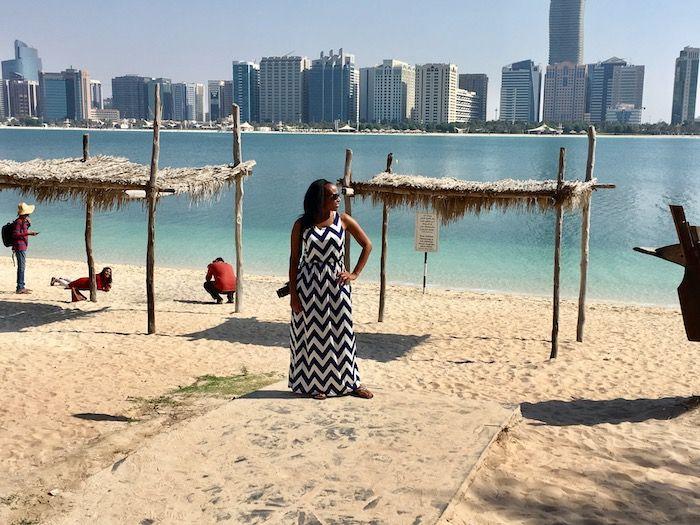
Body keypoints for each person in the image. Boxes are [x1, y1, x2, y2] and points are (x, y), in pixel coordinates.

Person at [288, 179, 374, 400]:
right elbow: (294, 260)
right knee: (313, 334)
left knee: (342, 333)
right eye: (333, 196)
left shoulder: (343, 220)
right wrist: (294, 295)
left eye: (338, 196)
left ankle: (351, 383)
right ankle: (316, 385)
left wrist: (354, 273)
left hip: (337, 286)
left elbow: (367, 245)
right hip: (308, 285)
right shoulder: (302, 224)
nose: (338, 199)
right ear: (320, 199)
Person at [12, 202, 39, 294]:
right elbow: (16, 234)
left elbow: (23, 231)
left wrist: (28, 226)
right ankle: (20, 287)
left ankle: (21, 285)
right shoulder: (19, 221)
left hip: (22, 246)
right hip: (20, 246)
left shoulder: (23, 221)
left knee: (22, 267)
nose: (29, 214)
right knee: (21, 267)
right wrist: (29, 233)